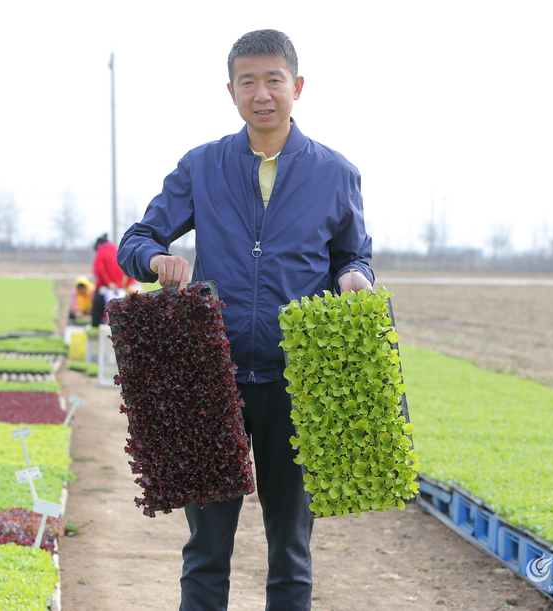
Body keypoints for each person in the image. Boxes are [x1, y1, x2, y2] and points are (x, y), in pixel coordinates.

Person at [117, 29, 373, 611]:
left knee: (291, 550)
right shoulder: (202, 166)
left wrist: (355, 278)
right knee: (206, 550)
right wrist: (155, 259)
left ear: (297, 86)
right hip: (214, 380)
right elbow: (138, 238)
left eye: (273, 80)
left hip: (295, 383)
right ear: (230, 91)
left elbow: (353, 256)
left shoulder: (336, 173)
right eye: (248, 82)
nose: (262, 94)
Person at [91, 233, 128, 326]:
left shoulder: (101, 252)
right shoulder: (116, 250)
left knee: (97, 312)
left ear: (98, 245)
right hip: (119, 289)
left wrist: (109, 283)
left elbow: (100, 270)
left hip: (105, 289)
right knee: (120, 318)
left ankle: (95, 328)